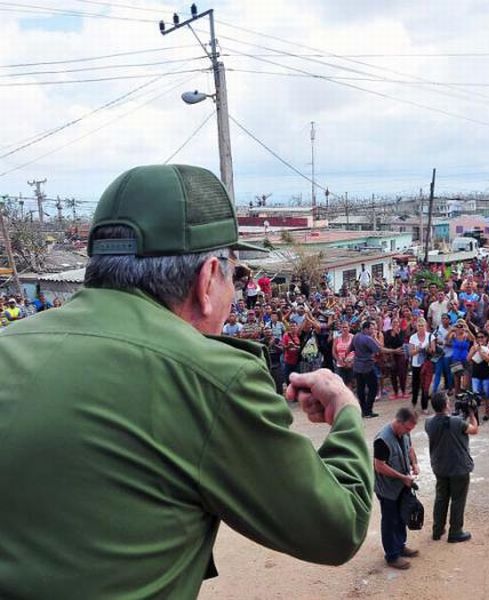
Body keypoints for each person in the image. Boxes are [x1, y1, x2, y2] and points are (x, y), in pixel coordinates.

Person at [0, 164, 373, 597]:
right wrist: (346, 410)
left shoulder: (9, 343)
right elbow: (337, 527)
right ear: (207, 278)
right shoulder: (211, 377)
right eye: (235, 275)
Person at [425, 392, 478, 544]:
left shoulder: (428, 422)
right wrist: (472, 414)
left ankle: (437, 529)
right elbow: (474, 429)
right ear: (446, 404)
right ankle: (455, 531)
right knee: (458, 499)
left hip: (440, 466)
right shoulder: (457, 422)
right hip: (458, 467)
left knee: (441, 497)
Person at [373, 408, 421, 569]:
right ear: (398, 422)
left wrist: (414, 463)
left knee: (401, 516)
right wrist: (402, 477)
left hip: (402, 486)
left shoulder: (404, 432)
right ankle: (392, 555)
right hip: (387, 489)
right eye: (407, 428)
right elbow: (379, 466)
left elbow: (410, 449)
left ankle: (400, 546)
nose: (409, 432)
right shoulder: (382, 439)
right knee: (389, 520)